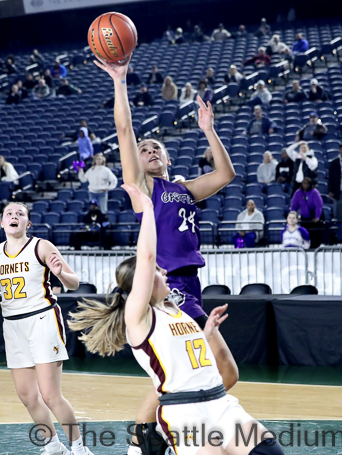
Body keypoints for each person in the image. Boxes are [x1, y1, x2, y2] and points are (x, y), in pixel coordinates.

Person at [69, 184, 285, 455]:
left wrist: (207, 334)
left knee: (270, 452)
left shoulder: (177, 308)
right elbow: (147, 256)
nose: (164, 272)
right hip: (184, 412)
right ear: (143, 283)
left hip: (219, 403)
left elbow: (198, 359)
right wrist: (148, 209)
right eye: (158, 271)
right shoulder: (140, 317)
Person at [93, 56, 239, 446]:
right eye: (144, 149)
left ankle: (146, 438)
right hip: (166, 286)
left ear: (169, 158)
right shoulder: (144, 189)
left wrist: (209, 130)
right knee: (222, 371)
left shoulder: (184, 188)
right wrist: (120, 81)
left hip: (191, 283)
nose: (149, 150)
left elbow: (226, 174)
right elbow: (124, 131)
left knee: (195, 374)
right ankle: (150, 434)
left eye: (156, 147)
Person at [0, 202, 94, 455]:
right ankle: (53, 445)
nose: (14, 216)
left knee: (50, 394)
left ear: (28, 223)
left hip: (42, 320)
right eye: (8, 214)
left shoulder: (41, 246)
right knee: (26, 395)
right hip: (13, 325)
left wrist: (60, 274)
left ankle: (79, 448)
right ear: (1, 223)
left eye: (20, 213)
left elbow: (74, 282)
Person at [290, 178, 324, 248]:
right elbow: (294, 205)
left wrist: (317, 217)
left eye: (307, 184)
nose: (305, 185)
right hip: (304, 218)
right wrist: (292, 216)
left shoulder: (314, 192)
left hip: (313, 219)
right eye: (304, 183)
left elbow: (318, 205)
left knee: (314, 238)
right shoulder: (298, 193)